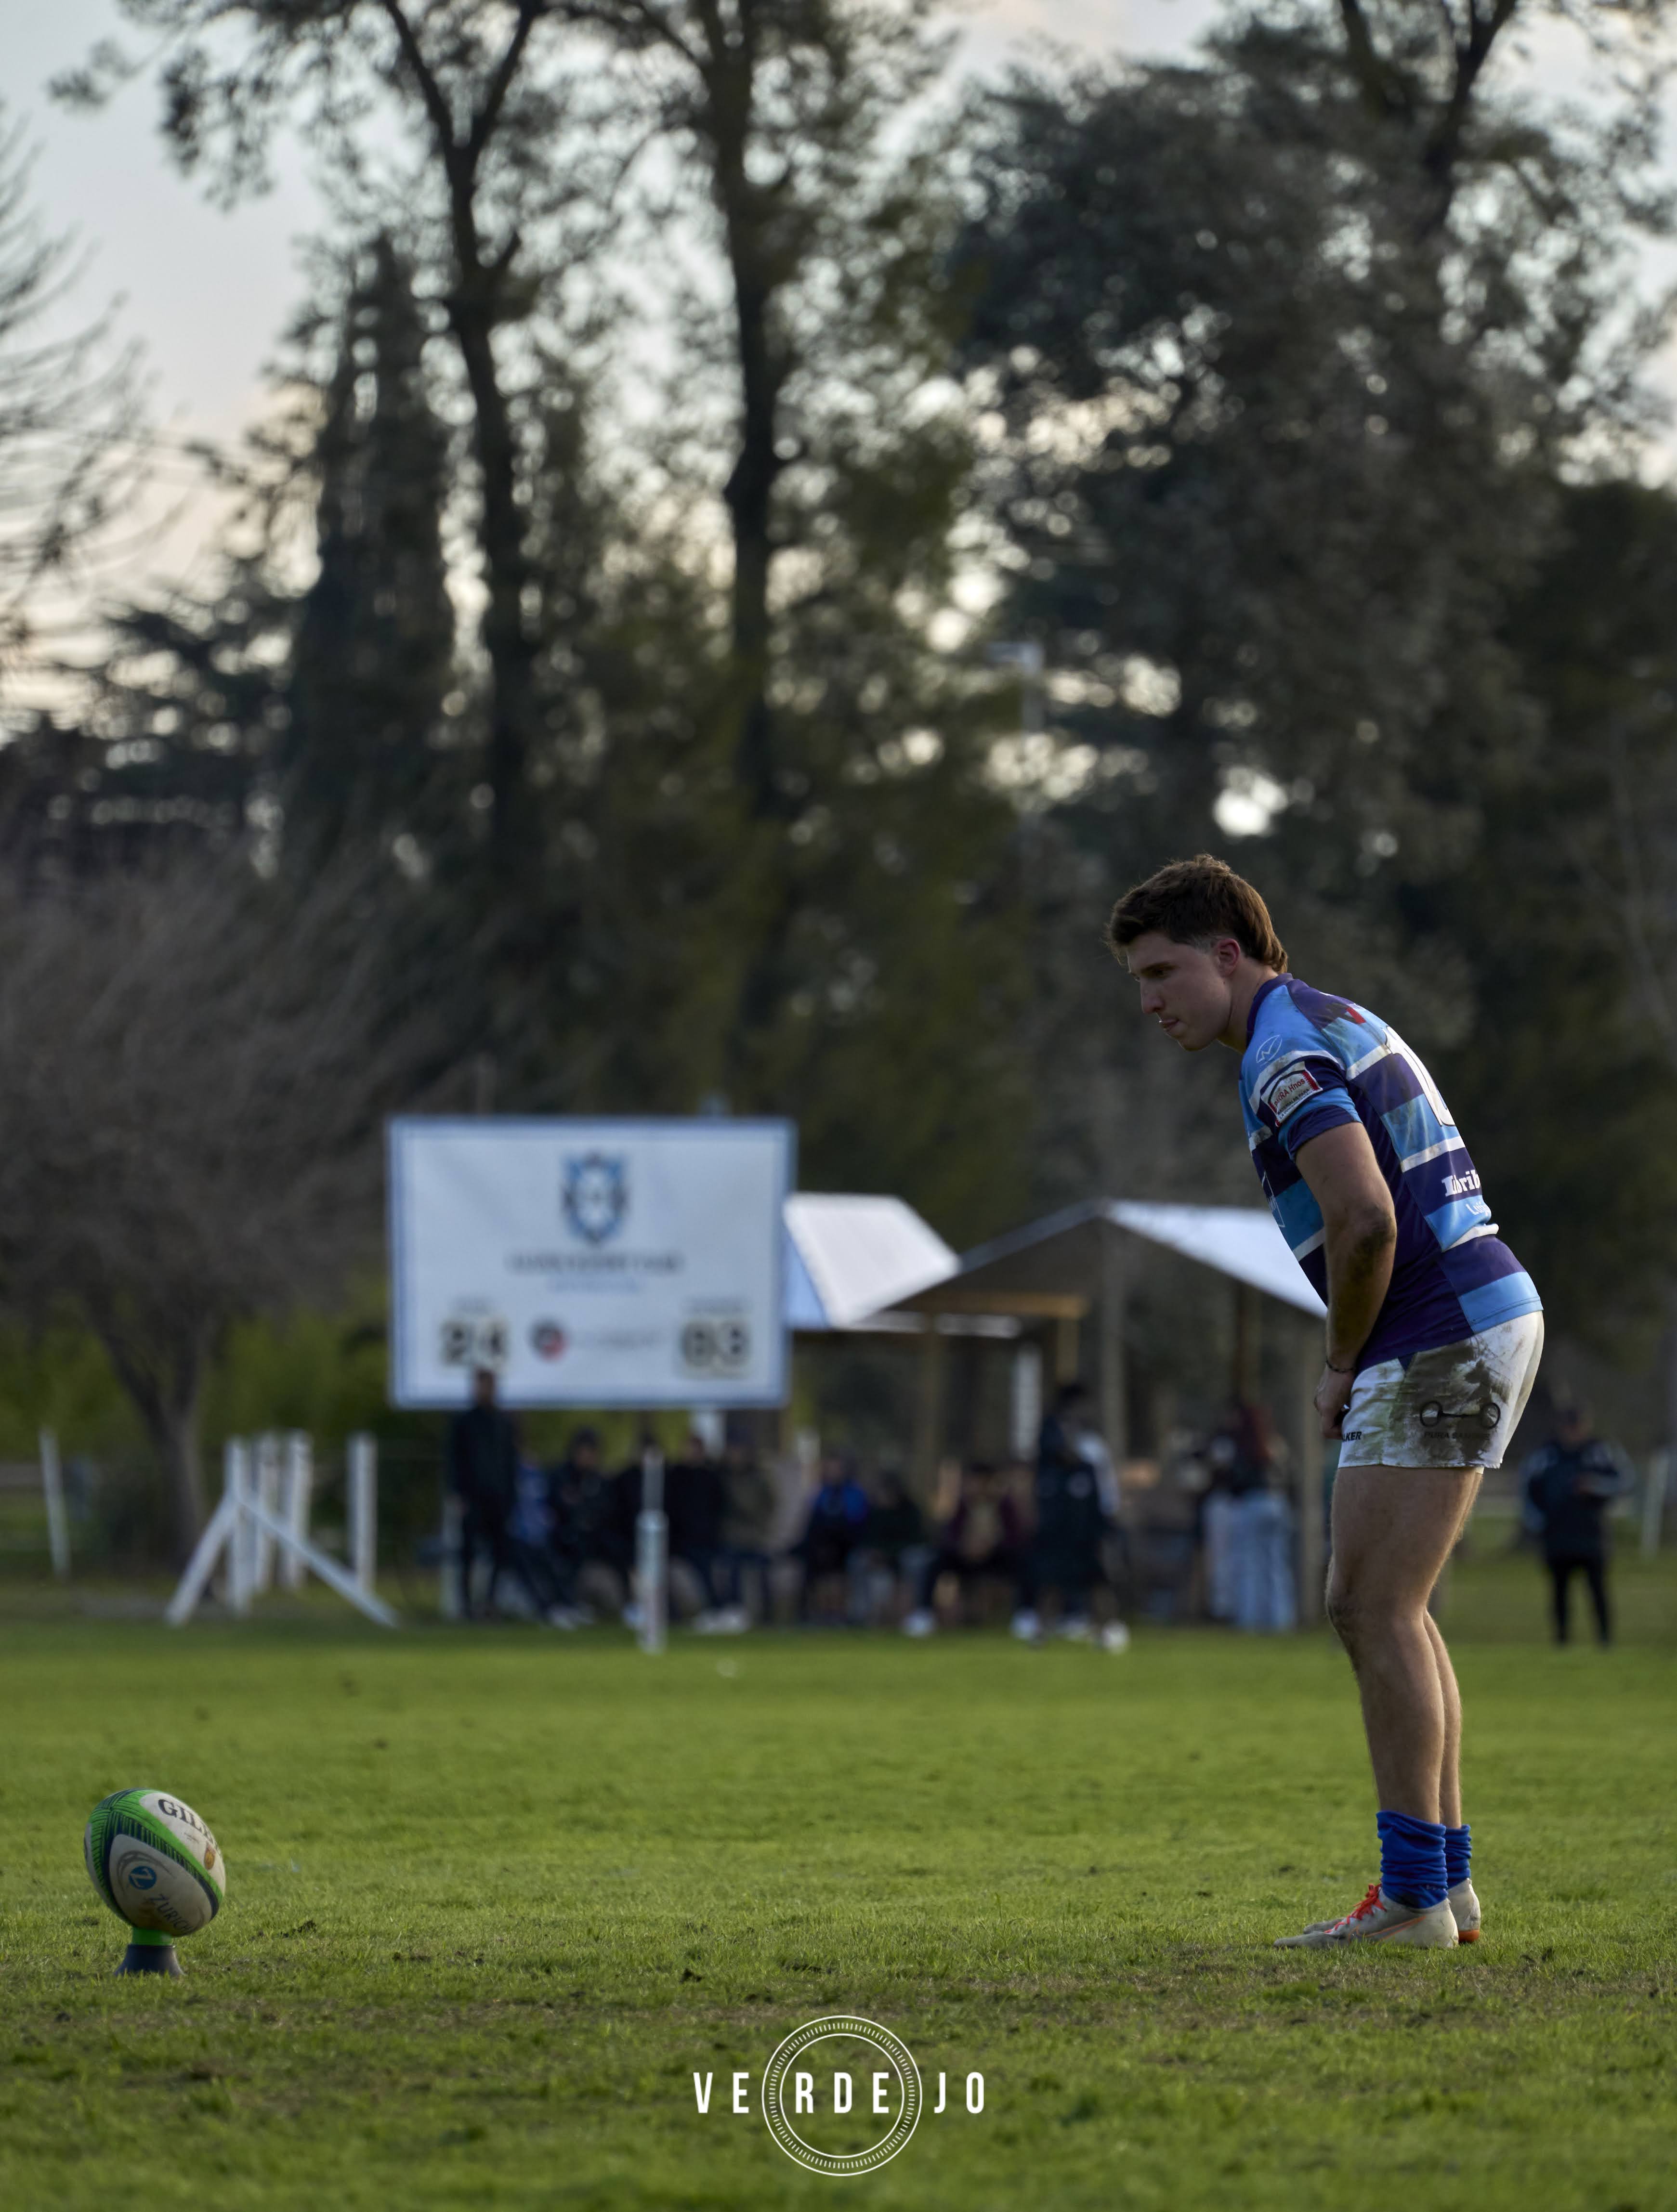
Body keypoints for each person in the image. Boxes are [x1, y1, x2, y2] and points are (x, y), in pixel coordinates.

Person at [1110, 854, 1544, 1948]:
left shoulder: (1280, 1054)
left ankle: (1413, 1901)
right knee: (1391, 1605)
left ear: (1228, 952)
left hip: (1433, 1327)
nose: (1150, 1000)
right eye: (1136, 980)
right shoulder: (1322, 1017)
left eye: (1162, 970)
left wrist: (1338, 1358)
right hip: (1475, 1310)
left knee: (1369, 1607)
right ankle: (1441, 1888)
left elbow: (1361, 1221)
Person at [447, 1368, 566, 1625]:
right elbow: (455, 1461)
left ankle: (489, 1603)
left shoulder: (504, 1423)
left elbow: (511, 1463)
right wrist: (458, 1494)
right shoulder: (464, 1423)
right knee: (467, 1553)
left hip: (500, 1501)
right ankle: (466, 1606)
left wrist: (511, 1497)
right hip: (473, 1500)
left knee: (500, 1554)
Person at [1014, 1382, 1121, 1645]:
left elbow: (1103, 1501)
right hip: (1058, 1535)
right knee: (1050, 1583)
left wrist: (1104, 1528)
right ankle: (1040, 1630)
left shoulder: (1089, 1466)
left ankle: (1109, 1629)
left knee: (1099, 1582)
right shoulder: (1052, 1472)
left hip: (1086, 1535)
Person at [1521, 1400, 1633, 1646]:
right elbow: (1527, 1489)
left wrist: (1594, 1486)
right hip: (1557, 1535)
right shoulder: (1546, 1455)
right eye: (1569, 1426)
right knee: (1559, 1591)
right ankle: (1562, 1640)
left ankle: (1605, 1640)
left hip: (1592, 1535)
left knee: (1597, 1590)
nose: (1573, 1431)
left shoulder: (1601, 1451)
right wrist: (1538, 1522)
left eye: (1578, 1425)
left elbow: (1625, 1482)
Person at [901, 1462, 1022, 1635]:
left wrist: (991, 1546)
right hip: (963, 1556)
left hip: (995, 1556)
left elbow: (1015, 1537)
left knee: (1024, 1563)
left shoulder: (1004, 1505)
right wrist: (965, 1547)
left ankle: (1026, 1615)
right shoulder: (960, 1505)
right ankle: (924, 1615)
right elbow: (947, 1536)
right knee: (935, 1563)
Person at [795, 1450, 871, 1623]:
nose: (833, 1472)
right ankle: (821, 1614)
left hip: (847, 1545)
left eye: (837, 1468)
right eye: (830, 1468)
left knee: (838, 1570)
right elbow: (812, 1523)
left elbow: (857, 1524)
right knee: (815, 1564)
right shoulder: (821, 1493)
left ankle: (839, 1614)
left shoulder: (855, 1494)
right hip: (822, 1546)